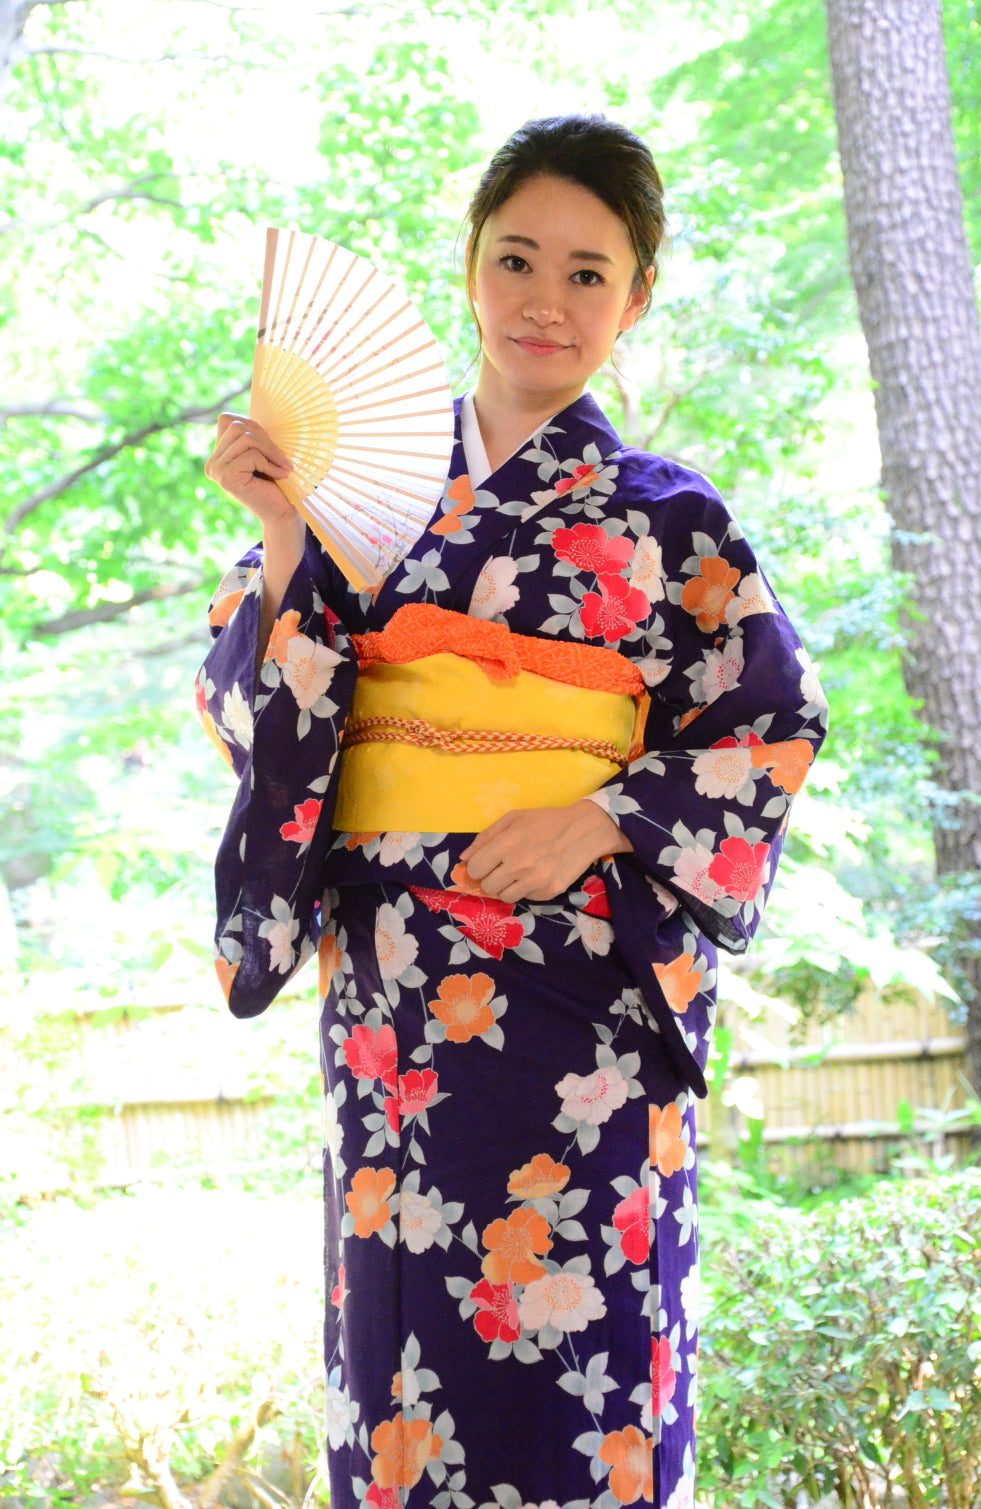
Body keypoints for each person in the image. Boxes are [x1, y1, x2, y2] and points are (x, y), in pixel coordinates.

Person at [198, 115, 827, 1509]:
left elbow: (772, 726)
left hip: (583, 999)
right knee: (400, 1366)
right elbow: (260, 712)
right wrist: (289, 531)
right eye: (518, 259)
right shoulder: (356, 494)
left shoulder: (675, 525)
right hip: (398, 1004)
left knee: (591, 1364)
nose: (548, 300)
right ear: (471, 267)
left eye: (589, 273)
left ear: (636, 298)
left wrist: (602, 816)